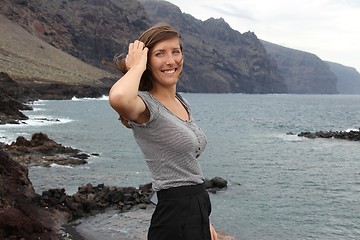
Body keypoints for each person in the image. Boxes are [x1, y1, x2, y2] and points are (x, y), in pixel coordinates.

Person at [108, 23, 217, 240]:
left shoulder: (181, 102)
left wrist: (206, 221)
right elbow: (118, 98)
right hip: (173, 218)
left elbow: (187, 170)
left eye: (175, 52)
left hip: (197, 208)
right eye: (159, 54)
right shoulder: (146, 106)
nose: (170, 60)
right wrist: (136, 68)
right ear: (147, 61)